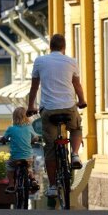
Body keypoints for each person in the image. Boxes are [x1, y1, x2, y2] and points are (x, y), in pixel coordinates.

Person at [27, 34, 86, 198]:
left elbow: (34, 87)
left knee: (50, 148)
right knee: (76, 127)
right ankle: (74, 154)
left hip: (49, 110)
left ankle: (52, 186)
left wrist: (31, 106)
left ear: (50, 47)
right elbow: (77, 85)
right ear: (63, 47)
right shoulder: (71, 61)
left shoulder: (40, 61)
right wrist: (82, 100)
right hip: (68, 107)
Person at [0, 107, 40, 194]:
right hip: (28, 157)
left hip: (15, 158)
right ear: (26, 117)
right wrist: (31, 141)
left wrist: (1, 139)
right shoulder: (29, 127)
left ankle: (11, 185)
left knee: (9, 166)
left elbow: (4, 138)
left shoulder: (11, 129)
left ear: (14, 117)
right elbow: (36, 137)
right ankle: (33, 180)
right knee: (29, 167)